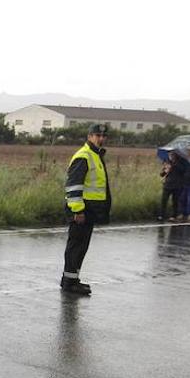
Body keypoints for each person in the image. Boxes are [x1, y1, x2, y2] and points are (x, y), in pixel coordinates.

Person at [62, 124, 111, 295]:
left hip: (89, 210)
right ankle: (69, 283)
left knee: (81, 247)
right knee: (76, 246)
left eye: (104, 136)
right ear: (89, 136)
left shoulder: (95, 155)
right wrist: (78, 210)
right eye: (97, 135)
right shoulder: (84, 156)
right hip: (82, 210)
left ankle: (72, 279)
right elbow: (73, 186)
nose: (101, 139)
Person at [158, 150, 187, 221]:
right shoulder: (168, 163)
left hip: (176, 186)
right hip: (167, 185)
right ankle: (161, 215)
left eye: (172, 155)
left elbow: (183, 171)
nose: (170, 156)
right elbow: (161, 174)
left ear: (176, 155)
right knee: (164, 200)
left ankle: (174, 216)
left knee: (175, 201)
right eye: (170, 155)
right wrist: (166, 170)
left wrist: (174, 166)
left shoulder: (181, 163)